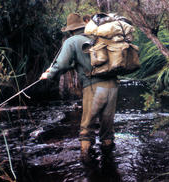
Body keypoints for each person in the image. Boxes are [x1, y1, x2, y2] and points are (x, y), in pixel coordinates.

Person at [40, 13, 119, 163]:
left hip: (94, 87)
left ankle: (87, 166)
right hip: (113, 85)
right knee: (107, 130)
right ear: (84, 26)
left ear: (70, 30)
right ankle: (110, 167)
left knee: (86, 130)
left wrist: (48, 75)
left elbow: (62, 64)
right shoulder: (97, 38)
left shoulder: (72, 41)